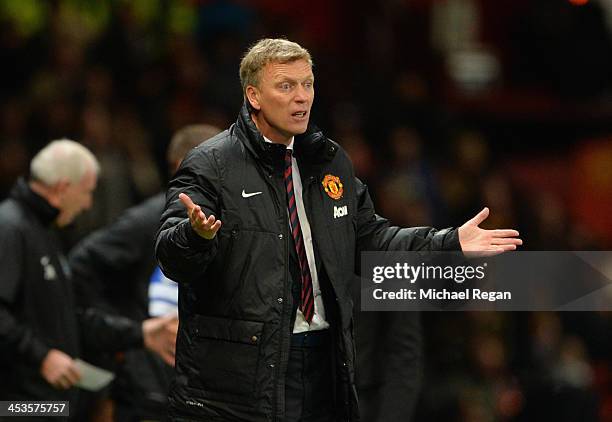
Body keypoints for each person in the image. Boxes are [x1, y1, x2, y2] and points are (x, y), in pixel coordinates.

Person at [155, 38, 522, 421]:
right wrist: (195, 236)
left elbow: (373, 241)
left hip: (324, 363)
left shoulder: (329, 161)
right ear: (254, 96)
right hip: (237, 382)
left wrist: (450, 241)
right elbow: (171, 257)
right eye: (286, 86)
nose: (302, 97)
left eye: (307, 84)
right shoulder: (210, 163)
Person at [0, 139, 178, 414]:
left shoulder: (44, 232)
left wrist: (140, 333)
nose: (87, 204)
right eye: (86, 192)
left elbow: (68, 317)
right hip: (17, 404)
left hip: (48, 402)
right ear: (63, 188)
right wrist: (42, 357)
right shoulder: (10, 227)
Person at [68, 124, 221, 421]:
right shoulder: (147, 220)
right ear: (183, 167)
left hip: (207, 390)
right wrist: (126, 333)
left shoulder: (233, 216)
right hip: (150, 391)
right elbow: (78, 267)